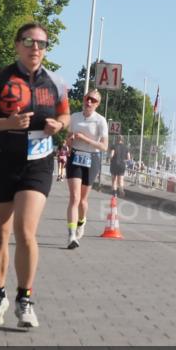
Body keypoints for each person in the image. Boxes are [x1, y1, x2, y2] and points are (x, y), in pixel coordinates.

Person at [0, 23, 69, 328]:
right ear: (17, 45)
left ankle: (24, 299)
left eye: (41, 43)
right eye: (29, 42)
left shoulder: (56, 82)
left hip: (37, 161)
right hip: (2, 157)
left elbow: (65, 114)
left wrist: (59, 125)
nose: (35, 48)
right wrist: (8, 122)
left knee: (26, 232)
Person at [64, 88, 108, 249]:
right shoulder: (74, 117)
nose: (89, 102)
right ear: (84, 99)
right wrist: (70, 140)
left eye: (93, 100)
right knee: (74, 198)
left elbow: (104, 146)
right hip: (76, 156)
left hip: (92, 158)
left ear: (98, 104)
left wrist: (85, 139)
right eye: (88, 99)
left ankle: (82, 221)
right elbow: (67, 138)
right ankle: (71, 235)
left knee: (83, 200)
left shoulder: (100, 121)